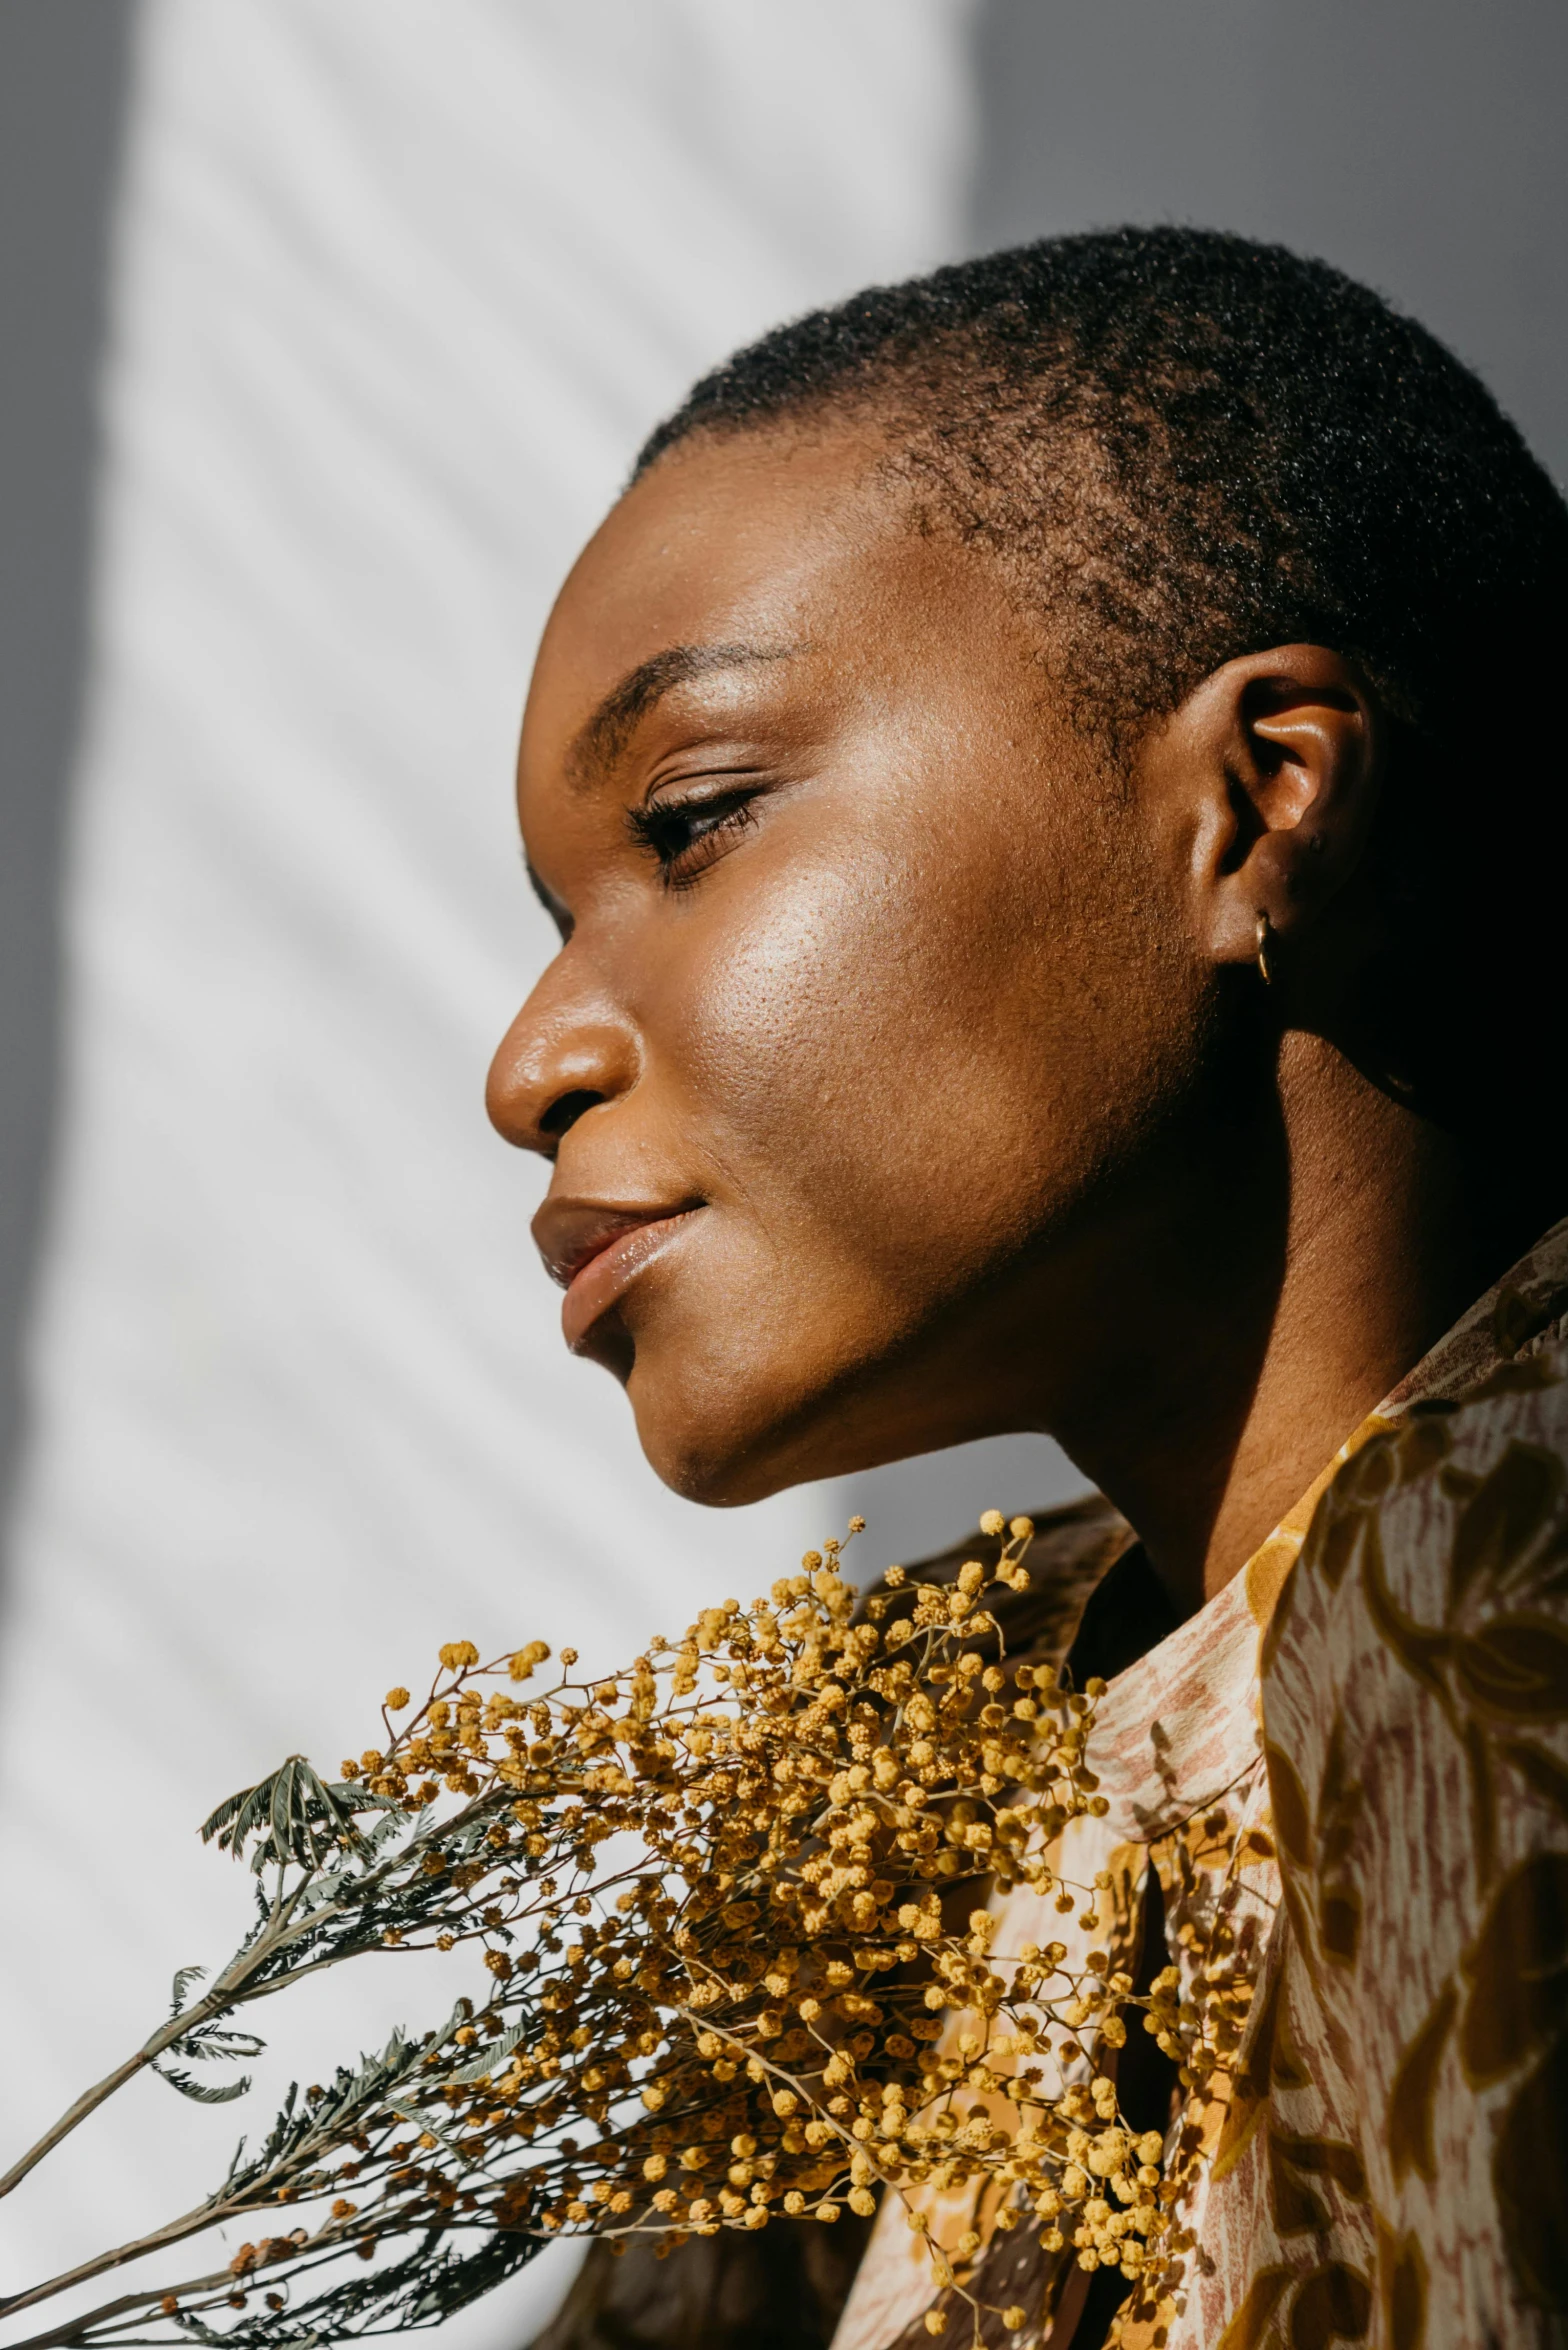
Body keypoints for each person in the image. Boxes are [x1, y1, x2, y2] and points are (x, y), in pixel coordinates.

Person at [485, 230, 1568, 2350]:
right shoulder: (874, 1817)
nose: (530, 1061)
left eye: (693, 821)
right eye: (552, 912)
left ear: (1256, 802)